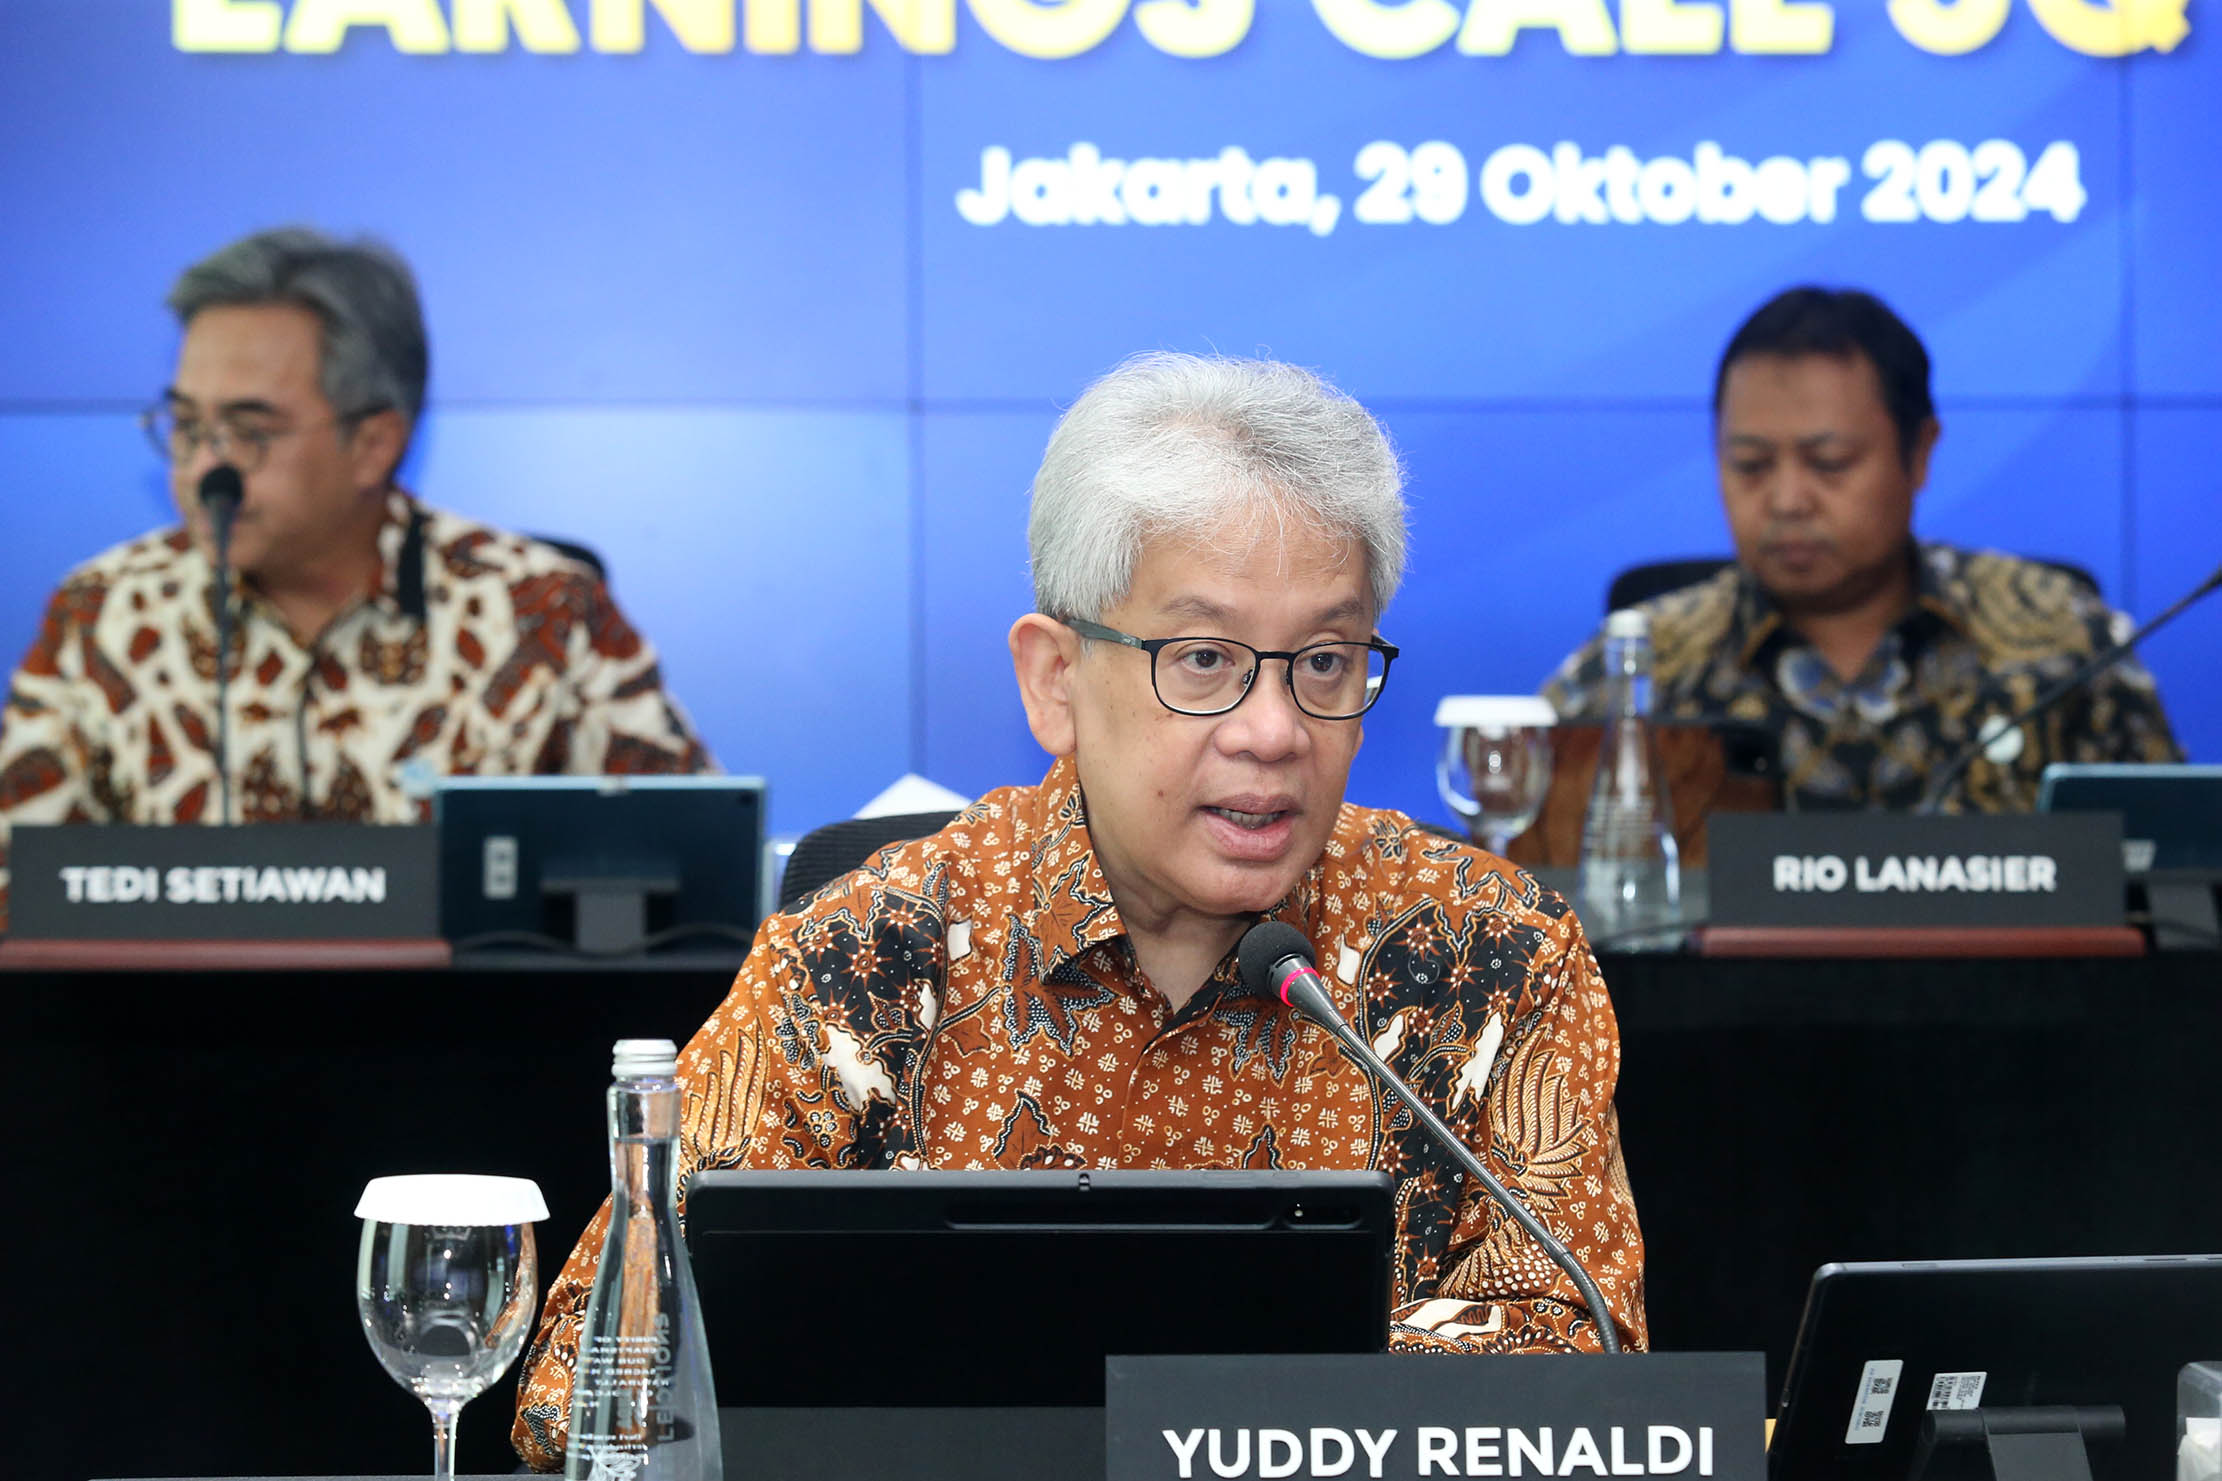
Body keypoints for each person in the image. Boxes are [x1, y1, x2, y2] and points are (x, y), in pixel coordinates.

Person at [511, 352, 1646, 1470]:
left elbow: (1580, 1367)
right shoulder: (864, 952)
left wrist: (1166, 1426)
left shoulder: (1492, 954)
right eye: (1201, 658)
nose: (1272, 728)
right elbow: (591, 1376)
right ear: (1053, 681)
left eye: (1324, 658)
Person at [0, 227, 711, 927]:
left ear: (375, 443)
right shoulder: (105, 611)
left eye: (250, 431)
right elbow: (12, 884)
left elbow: (698, 880)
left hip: (472, 1036)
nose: (200, 470)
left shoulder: (543, 610)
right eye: (186, 425)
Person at [1543, 286, 2181, 812]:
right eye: (1751, 464)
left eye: (1830, 462)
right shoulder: (1636, 672)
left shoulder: (2063, 642)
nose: (1788, 499)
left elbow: (2181, 895)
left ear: (1921, 452)